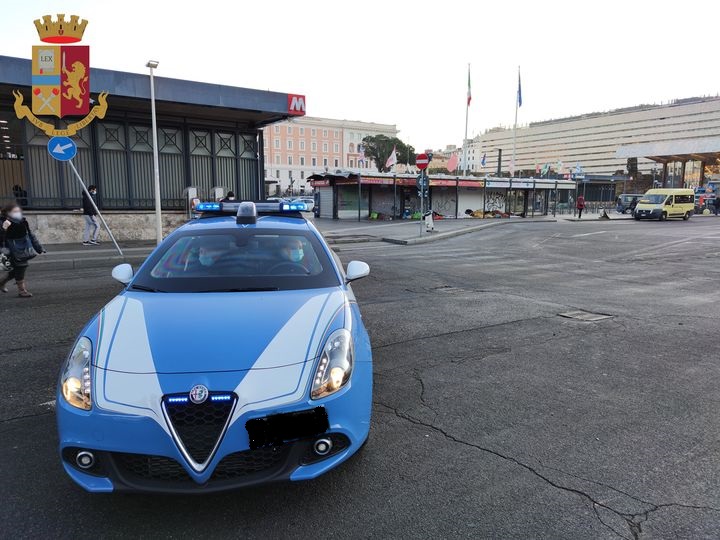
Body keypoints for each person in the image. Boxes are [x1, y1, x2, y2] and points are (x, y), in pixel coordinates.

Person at [0, 203, 44, 297]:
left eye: (18, 211)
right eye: (15, 211)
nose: (18, 213)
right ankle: (22, 290)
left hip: (23, 248)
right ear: (8, 212)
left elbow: (30, 234)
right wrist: (4, 228)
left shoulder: (22, 221)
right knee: (21, 267)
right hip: (10, 249)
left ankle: (1, 282)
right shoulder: (3, 221)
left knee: (17, 269)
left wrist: (39, 248)